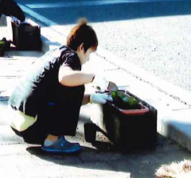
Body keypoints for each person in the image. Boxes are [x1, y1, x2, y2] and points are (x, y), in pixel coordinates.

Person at [8, 19, 117, 154]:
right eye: (89, 54)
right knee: (77, 85)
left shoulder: (57, 53)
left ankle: (51, 137)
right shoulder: (72, 57)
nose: (88, 59)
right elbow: (65, 78)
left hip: (17, 120)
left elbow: (60, 97)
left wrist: (91, 98)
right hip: (31, 125)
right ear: (82, 47)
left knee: (71, 84)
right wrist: (94, 78)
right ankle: (52, 140)